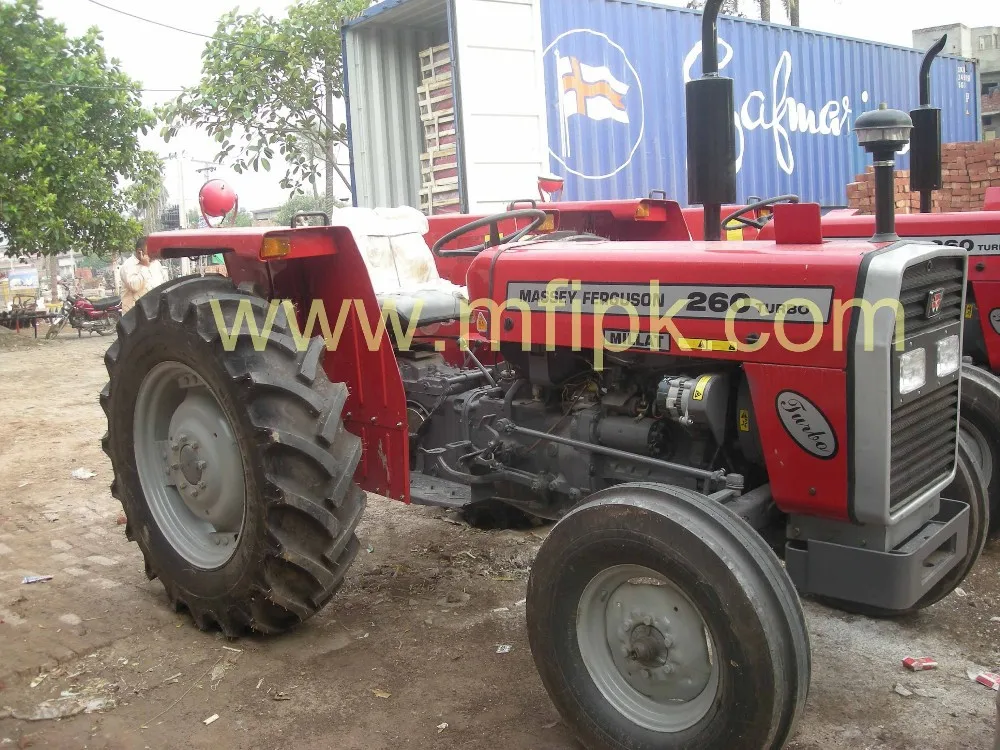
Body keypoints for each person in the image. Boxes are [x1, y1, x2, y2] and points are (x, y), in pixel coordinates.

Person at [119, 236, 167, 313]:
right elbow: (134, 286)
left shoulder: (156, 264)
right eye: (150, 252)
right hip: (134, 315)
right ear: (139, 252)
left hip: (153, 312)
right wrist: (145, 266)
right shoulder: (128, 266)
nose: (153, 255)